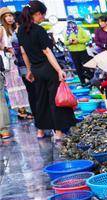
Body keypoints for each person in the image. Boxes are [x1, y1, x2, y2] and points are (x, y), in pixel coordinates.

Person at [17, 0, 75, 141]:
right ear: (36, 14)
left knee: (41, 100)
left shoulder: (20, 30)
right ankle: (59, 132)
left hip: (36, 70)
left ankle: (41, 131)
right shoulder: (39, 30)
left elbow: (24, 53)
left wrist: (29, 70)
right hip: (48, 69)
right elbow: (48, 52)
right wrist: (59, 70)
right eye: (42, 15)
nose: (43, 18)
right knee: (55, 100)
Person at [0, 7, 31, 120]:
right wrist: (7, 49)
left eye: (10, 15)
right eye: (6, 16)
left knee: (22, 84)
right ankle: (21, 111)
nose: (9, 18)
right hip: (10, 62)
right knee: (15, 85)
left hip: (19, 60)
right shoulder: (2, 29)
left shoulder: (15, 29)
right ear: (3, 18)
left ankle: (24, 109)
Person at [62, 17, 91, 85]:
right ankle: (82, 82)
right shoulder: (67, 31)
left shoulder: (80, 29)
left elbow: (87, 39)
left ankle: (91, 80)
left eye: (72, 22)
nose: (71, 24)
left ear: (74, 22)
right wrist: (69, 41)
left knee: (87, 66)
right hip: (73, 52)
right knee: (78, 67)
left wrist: (78, 41)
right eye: (69, 22)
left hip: (82, 51)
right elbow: (65, 42)